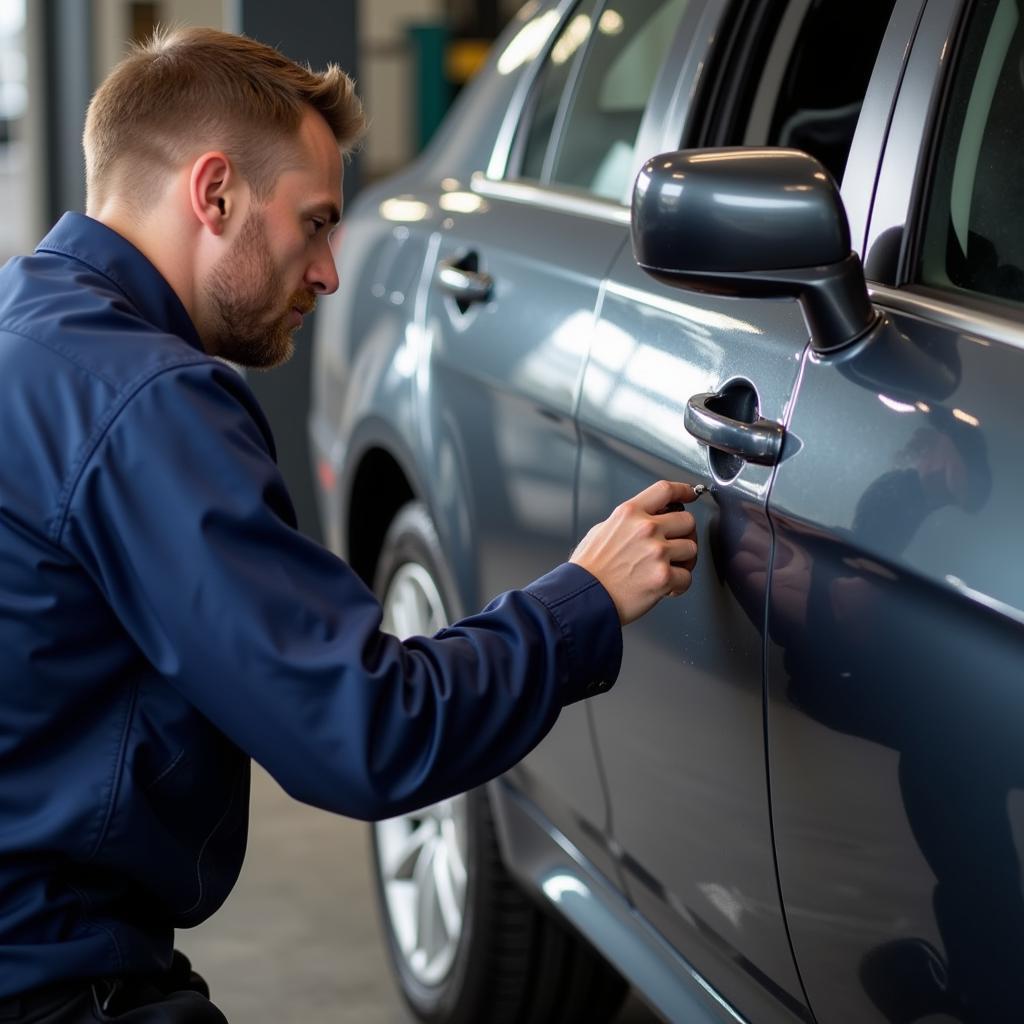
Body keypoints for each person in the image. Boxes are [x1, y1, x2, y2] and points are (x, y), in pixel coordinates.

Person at [0, 27, 699, 1022]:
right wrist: (579, 600)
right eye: (316, 223)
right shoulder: (149, 401)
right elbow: (364, 729)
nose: (329, 272)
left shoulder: (25, 326)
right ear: (214, 194)